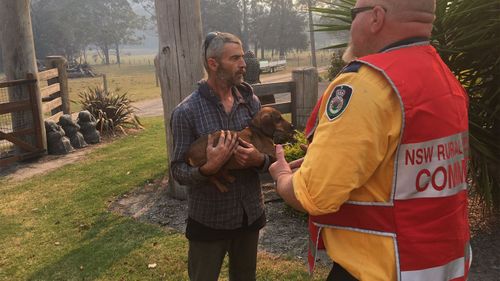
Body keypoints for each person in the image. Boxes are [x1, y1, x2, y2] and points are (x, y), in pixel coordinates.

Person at [269, 0, 471, 280]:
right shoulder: (444, 78)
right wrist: (330, 161)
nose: (351, 26)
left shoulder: (367, 83)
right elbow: (402, 170)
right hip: (434, 268)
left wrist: (282, 177)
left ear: (376, 17)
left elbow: (314, 195)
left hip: (375, 270)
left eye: (355, 14)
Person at [170, 31, 270, 281]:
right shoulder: (186, 112)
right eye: (235, 58)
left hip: (250, 214)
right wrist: (207, 169)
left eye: (243, 57)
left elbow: (269, 158)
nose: (243, 64)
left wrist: (260, 160)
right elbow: (177, 171)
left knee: (246, 277)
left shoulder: (251, 103)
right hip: (209, 221)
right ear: (213, 64)